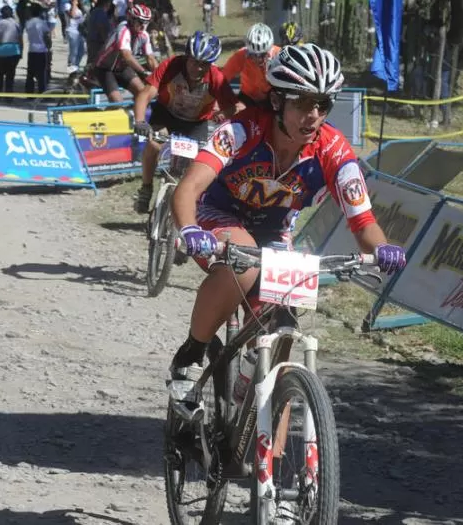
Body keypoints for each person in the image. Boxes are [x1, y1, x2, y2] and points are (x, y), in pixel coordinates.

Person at [166, 43, 408, 397]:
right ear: (277, 101)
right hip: (220, 215)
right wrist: (188, 228)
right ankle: (192, 353)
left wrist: (383, 247)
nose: (313, 115)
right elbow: (189, 187)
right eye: (302, 102)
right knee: (245, 261)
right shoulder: (241, 130)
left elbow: (363, 220)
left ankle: (266, 439)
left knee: (281, 344)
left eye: (322, 104)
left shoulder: (334, 150)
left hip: (275, 231)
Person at [132, 31, 235, 214]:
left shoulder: (216, 78)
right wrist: (140, 121)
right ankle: (146, 188)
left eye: (204, 65)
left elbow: (231, 109)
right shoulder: (171, 66)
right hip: (167, 115)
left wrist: (221, 115)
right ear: (187, 57)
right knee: (155, 144)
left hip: (196, 123)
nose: (198, 68)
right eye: (195, 62)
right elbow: (145, 93)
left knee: (194, 167)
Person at [219, 23, 281, 113]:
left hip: (273, 97)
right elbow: (221, 81)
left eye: (263, 55)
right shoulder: (240, 56)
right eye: (254, 55)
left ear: (269, 49)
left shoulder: (279, 55)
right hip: (248, 98)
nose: (258, 59)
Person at [0, 5, 23, 95]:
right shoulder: (16, 24)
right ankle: (9, 95)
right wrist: (21, 51)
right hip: (14, 51)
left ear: (1, 14)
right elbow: (20, 39)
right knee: (10, 75)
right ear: (12, 13)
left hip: (0, 51)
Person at [24, 2, 52, 95]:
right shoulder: (42, 23)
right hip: (41, 50)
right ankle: (42, 92)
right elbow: (47, 36)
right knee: (42, 74)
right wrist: (49, 46)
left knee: (30, 73)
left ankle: (29, 93)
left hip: (32, 49)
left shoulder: (28, 23)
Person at [65, 0, 86, 73]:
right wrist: (74, 4)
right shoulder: (67, 5)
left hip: (80, 31)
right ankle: (71, 68)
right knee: (74, 51)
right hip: (71, 31)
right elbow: (72, 15)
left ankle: (75, 66)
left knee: (81, 51)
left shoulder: (80, 6)